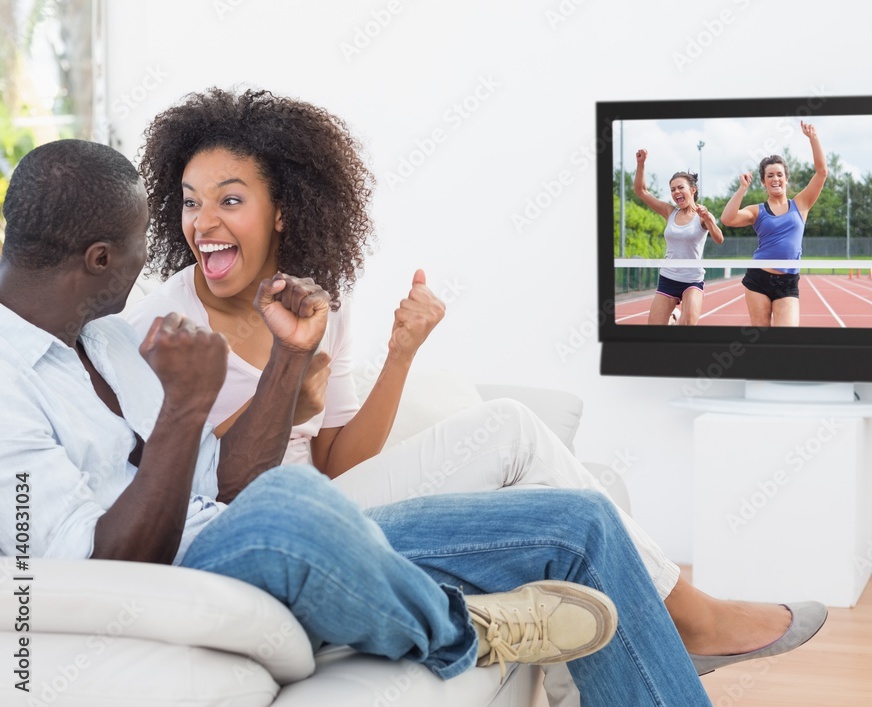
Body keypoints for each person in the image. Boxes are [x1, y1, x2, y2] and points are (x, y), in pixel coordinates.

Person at [124, 89, 828, 688]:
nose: (202, 224)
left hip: (335, 492)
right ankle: (688, 614)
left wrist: (400, 353)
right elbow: (183, 491)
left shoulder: (314, 301)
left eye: (230, 200)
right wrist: (284, 388)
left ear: (283, 211)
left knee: (524, 441)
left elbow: (339, 458)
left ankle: (649, 624)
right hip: (278, 528)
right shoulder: (159, 326)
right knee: (536, 464)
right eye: (189, 203)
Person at [0, 139, 722, 705]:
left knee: (580, 522)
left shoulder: (110, 340)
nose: (159, 253)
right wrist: (186, 410)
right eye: (136, 244)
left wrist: (290, 355)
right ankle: (461, 628)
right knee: (291, 500)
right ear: (99, 258)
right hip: (187, 571)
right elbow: (96, 569)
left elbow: (223, 486)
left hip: (246, 532)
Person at [721, 121, 828, 327]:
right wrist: (742, 188)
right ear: (763, 181)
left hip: (788, 281)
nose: (775, 179)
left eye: (779, 174)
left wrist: (813, 137)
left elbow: (821, 172)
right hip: (758, 279)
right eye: (770, 175)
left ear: (787, 178)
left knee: (786, 337)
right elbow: (727, 219)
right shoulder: (756, 210)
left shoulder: (801, 204)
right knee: (761, 338)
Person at [633, 150, 724, 326]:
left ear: (693, 190)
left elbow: (719, 239)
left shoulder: (702, 215)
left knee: (688, 325)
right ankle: (674, 317)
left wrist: (708, 220)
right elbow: (641, 191)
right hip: (668, 277)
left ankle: (676, 319)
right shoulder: (669, 212)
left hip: (692, 279)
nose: (676, 192)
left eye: (680, 187)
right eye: (673, 189)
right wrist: (641, 164)